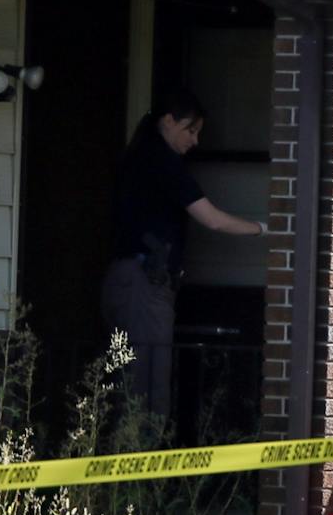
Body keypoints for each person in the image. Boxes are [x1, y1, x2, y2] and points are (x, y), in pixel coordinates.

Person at [102, 88, 265, 420]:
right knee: (145, 394)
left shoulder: (140, 156)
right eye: (190, 130)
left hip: (132, 282)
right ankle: (138, 467)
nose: (195, 140)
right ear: (168, 121)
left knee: (133, 386)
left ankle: (131, 461)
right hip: (142, 285)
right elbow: (212, 219)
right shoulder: (161, 161)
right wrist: (265, 228)